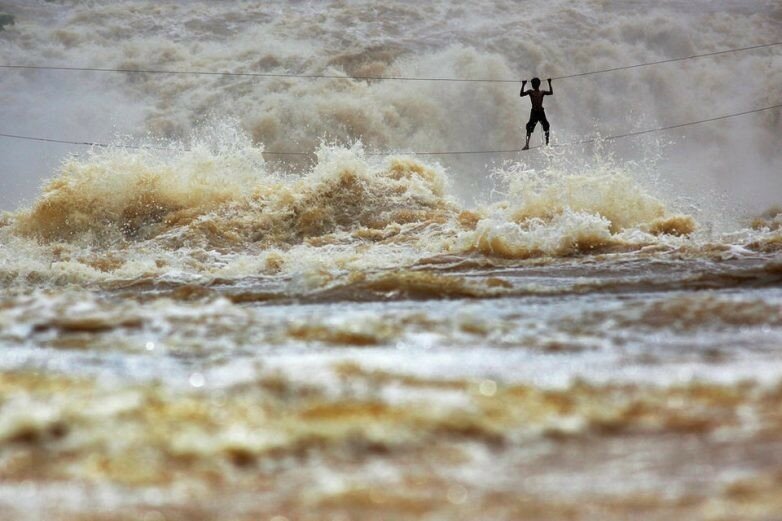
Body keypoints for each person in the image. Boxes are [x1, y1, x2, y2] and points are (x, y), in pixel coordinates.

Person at [520, 77, 553, 150]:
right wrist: (523, 85)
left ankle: (547, 143)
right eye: (532, 84)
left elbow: (551, 92)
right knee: (529, 127)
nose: (533, 85)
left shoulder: (542, 92)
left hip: (541, 112)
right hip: (534, 112)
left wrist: (549, 83)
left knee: (546, 125)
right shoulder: (530, 92)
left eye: (534, 84)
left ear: (538, 84)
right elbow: (521, 94)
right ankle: (527, 144)